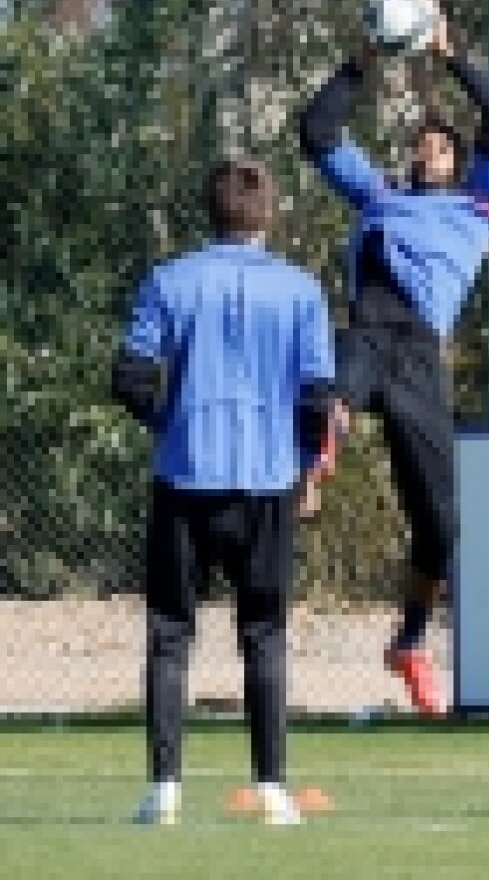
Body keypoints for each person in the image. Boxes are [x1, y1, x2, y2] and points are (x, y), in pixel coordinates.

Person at [296, 11, 489, 716]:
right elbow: (316, 134)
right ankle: (313, 458)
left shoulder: (479, 209)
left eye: (440, 149)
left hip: (421, 358)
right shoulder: (377, 197)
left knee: (442, 524)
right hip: (369, 332)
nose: (428, 155)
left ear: (459, 165)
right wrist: (359, 62)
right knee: (332, 385)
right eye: (420, 147)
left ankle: (411, 640)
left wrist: (454, 57)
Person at [112, 159, 336, 825]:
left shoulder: (170, 280)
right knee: (264, 633)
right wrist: (305, 467)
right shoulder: (299, 291)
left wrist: (166, 422)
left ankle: (164, 790)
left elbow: (129, 377)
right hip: (265, 482)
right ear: (268, 214)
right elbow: (318, 396)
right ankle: (271, 788)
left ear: (210, 211)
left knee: (170, 634)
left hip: (185, 475)